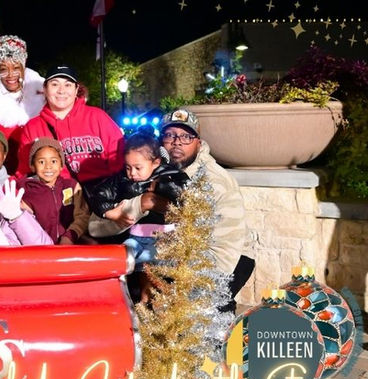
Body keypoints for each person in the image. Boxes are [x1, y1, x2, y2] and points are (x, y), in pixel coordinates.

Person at [90, 108, 254, 311]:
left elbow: (224, 250)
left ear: (199, 142)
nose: (177, 142)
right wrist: (142, 204)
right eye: (169, 135)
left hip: (210, 265)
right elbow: (96, 227)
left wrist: (185, 290)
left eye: (186, 136)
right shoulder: (138, 171)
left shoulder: (214, 182)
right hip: (155, 260)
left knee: (204, 314)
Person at [90, 132, 189, 301]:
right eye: (128, 167)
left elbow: (184, 193)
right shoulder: (121, 180)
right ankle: (122, 297)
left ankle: (153, 300)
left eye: (138, 168)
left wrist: (161, 187)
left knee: (155, 273)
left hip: (163, 239)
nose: (132, 174)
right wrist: (109, 212)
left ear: (156, 162)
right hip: (135, 236)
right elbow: (98, 195)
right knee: (124, 261)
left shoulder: (169, 175)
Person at [16, 65, 124, 203]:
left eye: (68, 85)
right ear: (45, 89)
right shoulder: (32, 127)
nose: (61, 90)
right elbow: (25, 171)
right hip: (60, 201)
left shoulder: (98, 117)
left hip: (102, 196)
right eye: (55, 84)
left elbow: (119, 156)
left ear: (76, 89)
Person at [0, 35, 45, 174]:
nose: (10, 74)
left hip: (43, 172)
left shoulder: (45, 94)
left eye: (16, 68)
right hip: (2, 174)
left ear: (23, 67)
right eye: (3, 69)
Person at [17, 137, 89, 244]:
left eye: (54, 161)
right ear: (32, 166)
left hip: (70, 245)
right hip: (40, 247)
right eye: (41, 162)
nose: (48, 166)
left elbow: (82, 216)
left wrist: (70, 236)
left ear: (61, 165)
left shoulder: (71, 186)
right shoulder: (25, 191)